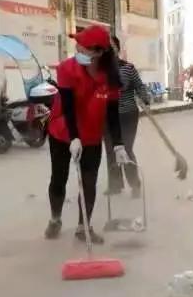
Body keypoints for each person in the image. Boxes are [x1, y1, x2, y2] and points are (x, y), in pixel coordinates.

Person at [46, 25, 130, 243]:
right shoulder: (66, 69)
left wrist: (119, 144)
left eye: (83, 48)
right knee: (59, 178)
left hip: (92, 134)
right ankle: (55, 219)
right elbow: (68, 106)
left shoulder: (110, 77)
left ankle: (84, 228)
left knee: (89, 181)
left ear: (99, 52)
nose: (78, 50)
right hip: (63, 131)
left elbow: (112, 114)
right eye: (78, 46)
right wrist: (74, 138)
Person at [104, 36, 150, 198]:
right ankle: (115, 185)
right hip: (107, 116)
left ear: (117, 49)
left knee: (126, 149)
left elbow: (139, 85)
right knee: (110, 150)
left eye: (111, 47)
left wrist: (144, 97)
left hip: (127, 114)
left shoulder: (128, 68)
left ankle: (135, 184)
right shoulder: (99, 70)